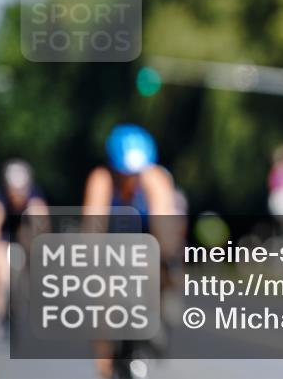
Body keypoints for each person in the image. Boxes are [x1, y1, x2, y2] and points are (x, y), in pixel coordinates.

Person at [82, 124, 178, 378]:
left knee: (161, 272)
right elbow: (92, 230)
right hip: (111, 250)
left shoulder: (156, 179)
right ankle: (104, 366)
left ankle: (155, 322)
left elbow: (166, 236)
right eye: (125, 173)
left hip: (146, 248)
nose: (130, 179)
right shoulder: (101, 180)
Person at [0, 159, 48, 331]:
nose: (16, 195)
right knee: (0, 267)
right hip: (6, 237)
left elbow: (43, 225)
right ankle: (2, 310)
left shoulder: (34, 198)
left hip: (25, 236)